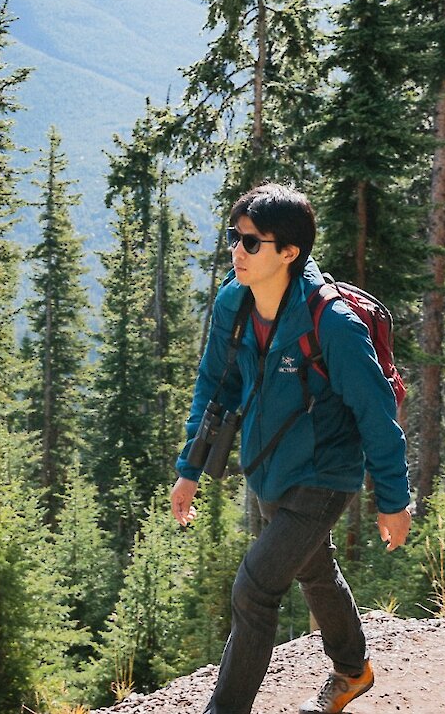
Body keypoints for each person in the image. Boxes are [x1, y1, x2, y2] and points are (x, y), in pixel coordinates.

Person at [172, 183, 412, 714]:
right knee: (313, 568)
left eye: (252, 242)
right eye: (235, 237)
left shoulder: (333, 324)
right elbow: (216, 385)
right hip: (267, 468)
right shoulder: (235, 302)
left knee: (254, 589)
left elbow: (377, 415)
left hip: (326, 475)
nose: (237, 250)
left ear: (289, 252)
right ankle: (353, 670)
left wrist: (393, 499)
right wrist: (190, 466)